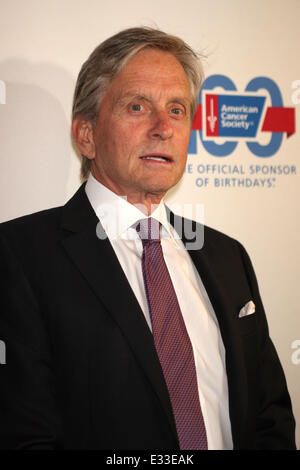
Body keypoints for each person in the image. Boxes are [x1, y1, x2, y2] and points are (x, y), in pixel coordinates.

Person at [0, 27, 296, 450]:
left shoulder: (228, 257)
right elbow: (23, 434)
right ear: (86, 135)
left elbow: (270, 417)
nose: (163, 127)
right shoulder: (19, 256)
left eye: (177, 109)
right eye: (137, 106)